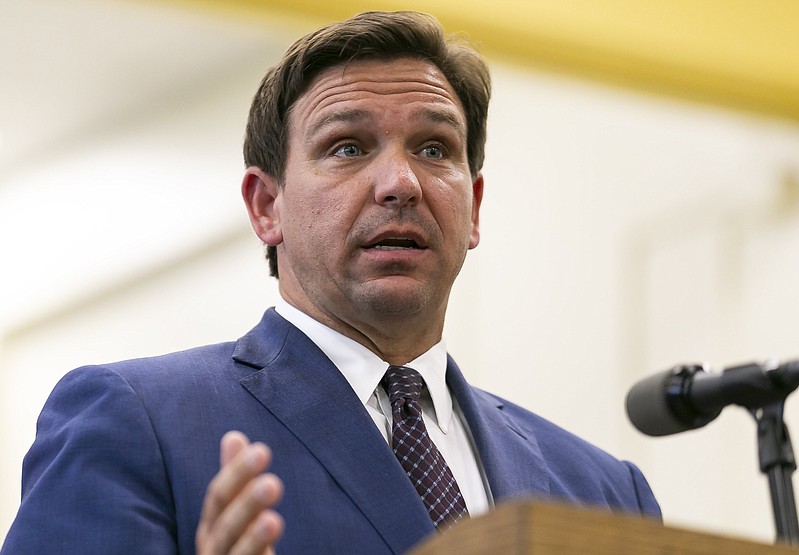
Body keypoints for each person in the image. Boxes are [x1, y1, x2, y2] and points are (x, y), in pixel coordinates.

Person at [1, 10, 660, 555]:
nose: (401, 184)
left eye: (434, 149)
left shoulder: (601, 491)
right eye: (347, 146)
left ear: (475, 208)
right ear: (267, 206)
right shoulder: (133, 421)